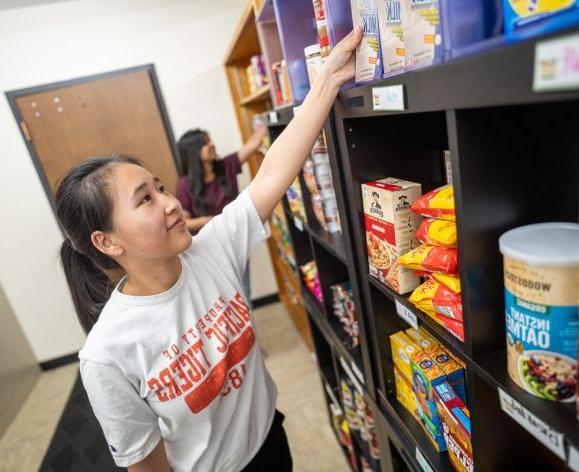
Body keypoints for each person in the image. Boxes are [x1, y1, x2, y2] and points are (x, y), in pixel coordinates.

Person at [54, 27, 362, 472]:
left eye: (160, 188)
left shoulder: (211, 248)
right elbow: (147, 466)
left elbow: (274, 169)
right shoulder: (108, 355)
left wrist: (329, 79)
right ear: (106, 241)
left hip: (270, 441)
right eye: (145, 199)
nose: (172, 202)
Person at [175, 126, 266, 302]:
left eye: (210, 140)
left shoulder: (226, 166)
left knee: (244, 295)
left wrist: (265, 119)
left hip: (235, 241)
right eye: (205, 143)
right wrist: (208, 220)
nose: (211, 145)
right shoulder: (185, 185)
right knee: (220, 299)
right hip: (207, 250)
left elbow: (253, 144)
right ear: (193, 153)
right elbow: (185, 222)